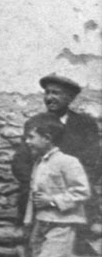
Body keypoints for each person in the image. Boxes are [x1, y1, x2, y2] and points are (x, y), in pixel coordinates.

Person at [11, 114, 90, 257]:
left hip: (62, 224)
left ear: (47, 138)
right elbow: (34, 199)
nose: (27, 141)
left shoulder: (68, 162)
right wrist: (29, 221)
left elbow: (82, 191)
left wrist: (54, 201)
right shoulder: (39, 163)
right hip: (41, 224)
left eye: (31, 137)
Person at [11, 75, 100, 239]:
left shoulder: (85, 124)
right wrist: (38, 185)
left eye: (56, 93)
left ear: (70, 98)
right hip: (40, 197)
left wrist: (69, 189)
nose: (49, 98)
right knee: (36, 247)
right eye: (47, 93)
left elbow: (94, 162)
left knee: (78, 247)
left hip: (74, 197)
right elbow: (20, 162)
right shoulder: (34, 123)